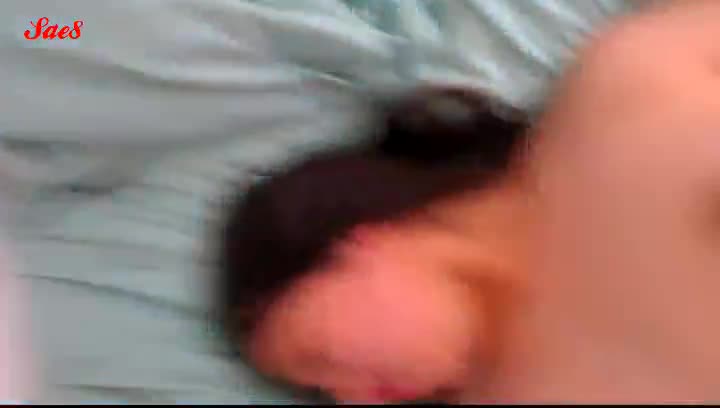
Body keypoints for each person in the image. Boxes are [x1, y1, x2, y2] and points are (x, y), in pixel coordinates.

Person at [217, 0, 720, 403]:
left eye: (319, 359)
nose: (355, 399)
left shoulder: (624, 100)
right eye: (325, 396)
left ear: (360, 242)